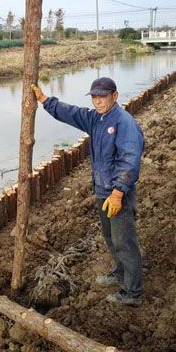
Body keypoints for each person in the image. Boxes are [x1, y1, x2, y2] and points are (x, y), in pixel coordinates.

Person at [31, 77, 144, 307]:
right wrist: (45, 100)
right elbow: (71, 113)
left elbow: (130, 161)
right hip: (103, 191)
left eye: (102, 96)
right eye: (94, 96)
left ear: (115, 96)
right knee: (111, 238)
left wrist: (118, 192)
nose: (97, 101)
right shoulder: (96, 119)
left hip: (116, 193)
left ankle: (133, 293)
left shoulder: (124, 123)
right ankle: (120, 272)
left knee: (125, 242)